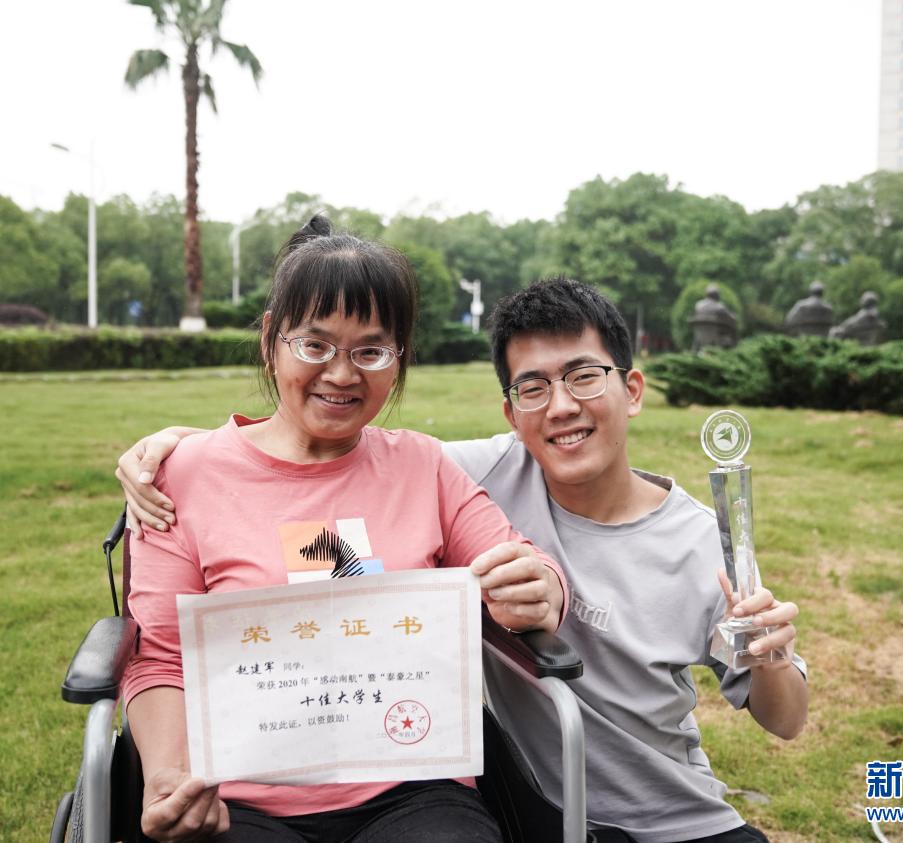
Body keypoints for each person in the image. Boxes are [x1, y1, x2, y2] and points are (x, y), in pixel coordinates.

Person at [120, 277, 808, 843]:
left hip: (677, 815)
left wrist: (770, 654)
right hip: (544, 802)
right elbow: (324, 486)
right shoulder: (477, 466)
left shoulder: (701, 540)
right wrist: (195, 452)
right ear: (511, 413)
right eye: (533, 387)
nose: (561, 407)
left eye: (583, 376)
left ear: (630, 389)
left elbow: (785, 719)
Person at [120, 216, 567, 843]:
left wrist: (540, 587)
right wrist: (169, 777)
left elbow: (522, 563)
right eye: (315, 345)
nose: (341, 373)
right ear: (271, 340)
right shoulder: (182, 477)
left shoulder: (423, 466)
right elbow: (161, 658)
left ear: (399, 358)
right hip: (238, 795)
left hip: (411, 785)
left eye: (370, 351)